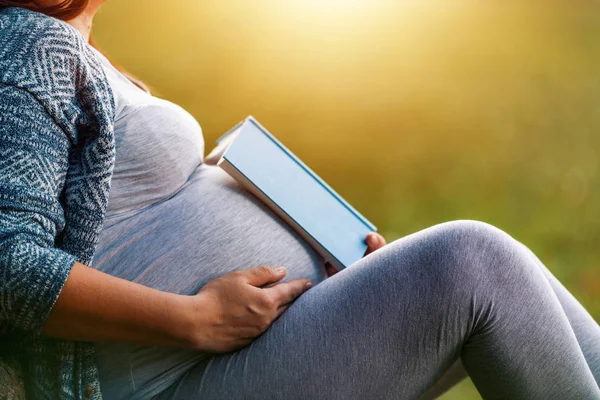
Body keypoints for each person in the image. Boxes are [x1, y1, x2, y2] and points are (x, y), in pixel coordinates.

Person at [0, 2, 598, 399]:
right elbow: (7, 262)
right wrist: (194, 319)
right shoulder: (24, 40)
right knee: (472, 262)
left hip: (217, 364)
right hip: (165, 380)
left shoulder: (75, 52)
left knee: (505, 280)